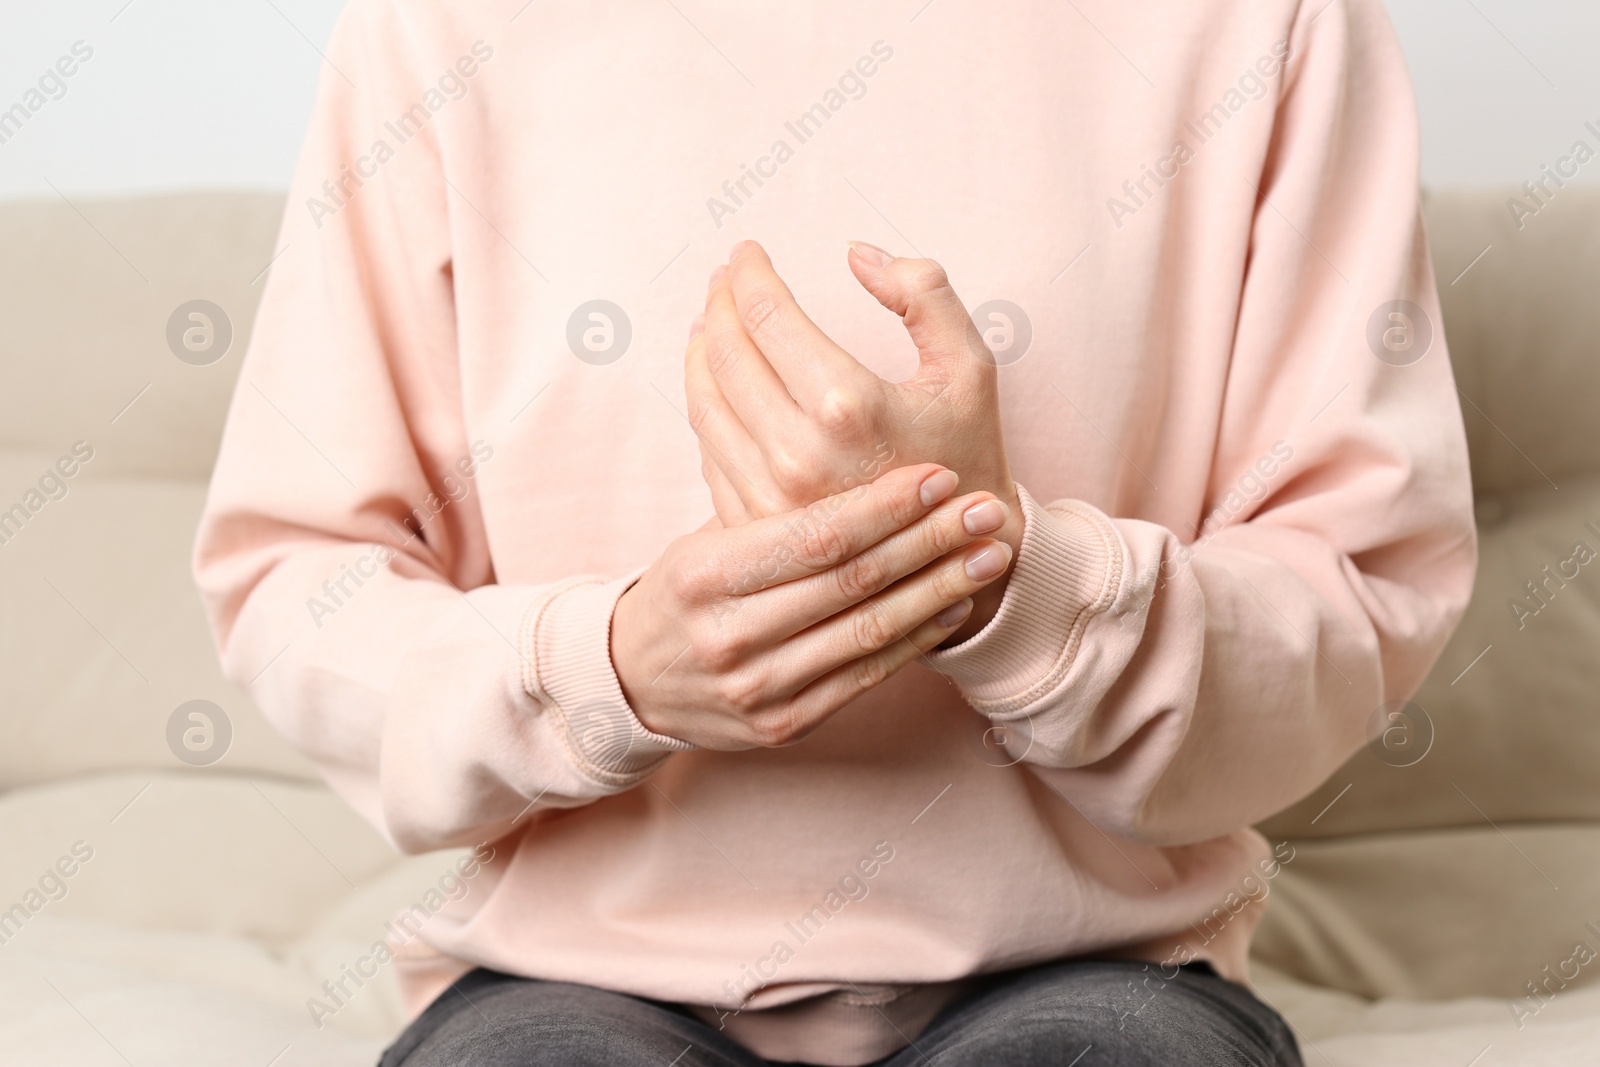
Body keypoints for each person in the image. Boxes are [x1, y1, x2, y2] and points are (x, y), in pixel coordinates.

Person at [194, 0, 1476, 1063]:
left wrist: (1013, 588)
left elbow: (1361, 580)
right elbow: (297, 577)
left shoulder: (1272, 21)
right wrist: (604, 671)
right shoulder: (437, 27)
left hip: (1100, 972)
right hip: (566, 985)